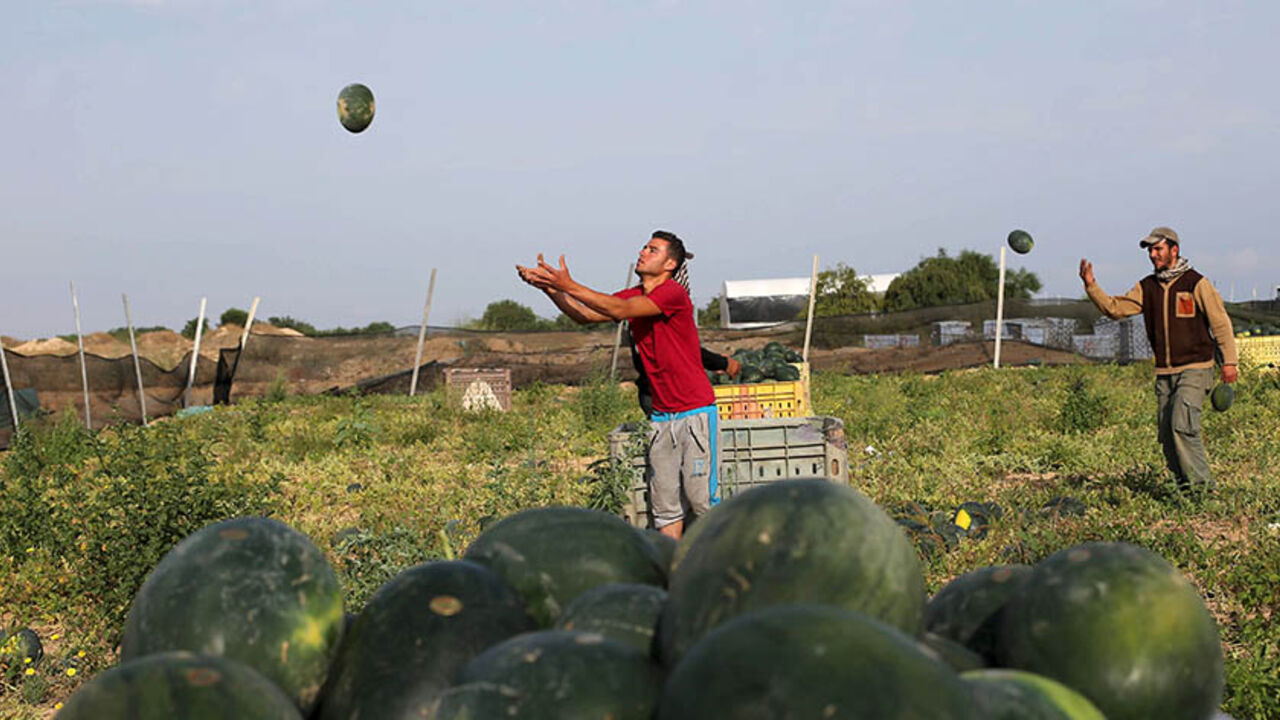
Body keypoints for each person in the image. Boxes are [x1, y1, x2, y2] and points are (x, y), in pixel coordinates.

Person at [517, 231, 717, 538]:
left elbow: (619, 311)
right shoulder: (634, 295)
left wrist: (566, 284)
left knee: (703, 504)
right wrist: (550, 289)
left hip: (695, 413)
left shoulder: (672, 294)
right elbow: (585, 314)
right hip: (662, 416)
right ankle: (671, 570)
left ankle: (720, 568)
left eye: (653, 249)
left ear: (670, 264)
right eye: (644, 247)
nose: (643, 252)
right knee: (665, 508)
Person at [1079, 226, 1237, 490]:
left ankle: (1202, 489)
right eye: (1150, 250)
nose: (1153, 255)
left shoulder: (1196, 283)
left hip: (1196, 367)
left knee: (1181, 425)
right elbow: (1116, 309)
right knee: (1167, 434)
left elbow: (1220, 323)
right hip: (1165, 372)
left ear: (1174, 250)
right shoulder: (1147, 287)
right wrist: (1091, 286)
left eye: (1158, 249)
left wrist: (1230, 361)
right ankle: (1183, 488)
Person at [629, 261, 740, 417]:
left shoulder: (638, 304)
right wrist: (721, 363)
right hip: (667, 396)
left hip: (655, 391)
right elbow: (680, 351)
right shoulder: (658, 308)